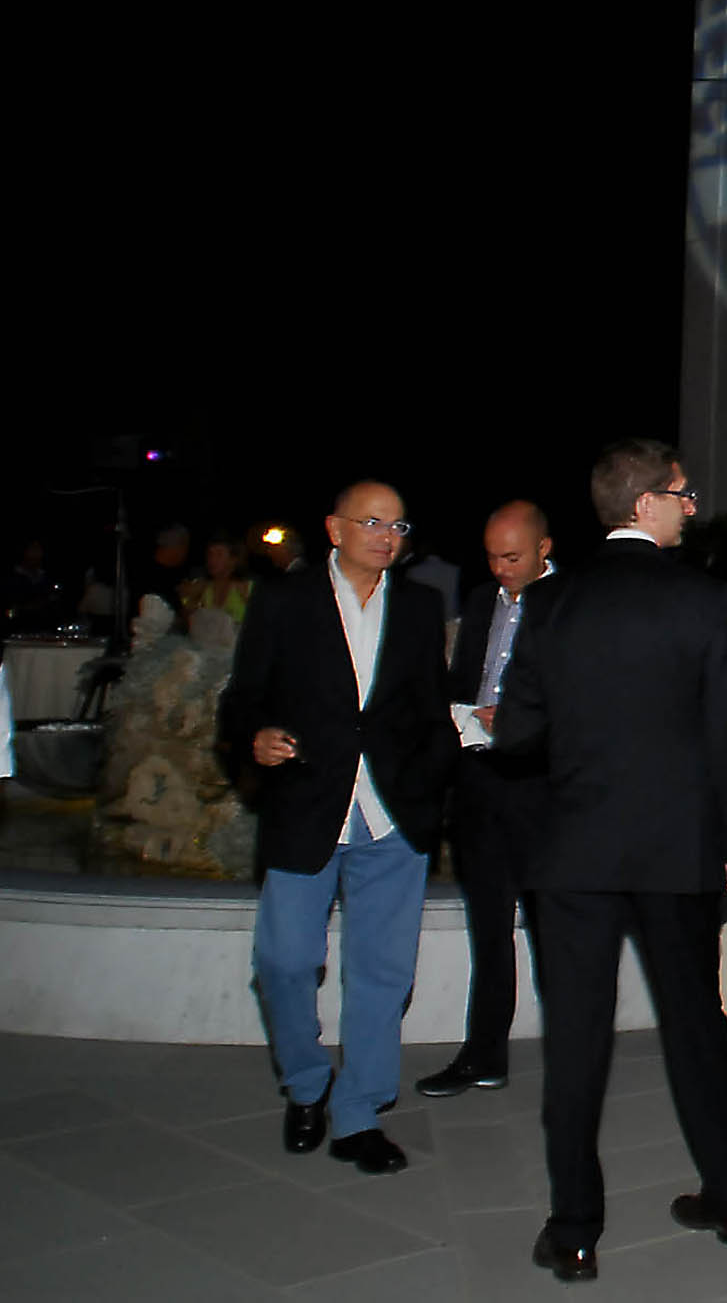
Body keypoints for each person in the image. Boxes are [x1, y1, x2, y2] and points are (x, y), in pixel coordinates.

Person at [493, 440, 727, 1282]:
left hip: (575, 852)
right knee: (696, 1025)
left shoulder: (551, 601)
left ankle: (574, 1230)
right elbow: (725, 737)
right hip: (677, 848)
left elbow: (522, 737)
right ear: (645, 504)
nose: (691, 506)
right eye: (682, 493)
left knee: (575, 1042)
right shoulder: (708, 599)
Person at [220, 481, 456, 1176]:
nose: (387, 535)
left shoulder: (418, 606)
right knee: (284, 961)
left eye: (398, 524)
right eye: (372, 521)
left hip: (393, 814)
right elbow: (242, 698)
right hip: (305, 805)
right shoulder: (284, 601)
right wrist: (252, 741)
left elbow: (429, 710)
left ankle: (360, 1113)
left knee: (382, 971)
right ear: (334, 527)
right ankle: (305, 1082)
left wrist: (432, 791)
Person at [416, 501, 554, 1101]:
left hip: (541, 791)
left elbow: (590, 703)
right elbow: (462, 680)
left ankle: (575, 1058)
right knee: (488, 927)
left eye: (513, 556)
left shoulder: (571, 606)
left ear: (544, 548)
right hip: (478, 779)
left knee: (554, 932)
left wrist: (522, 724)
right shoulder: (480, 601)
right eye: (493, 556)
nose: (500, 568)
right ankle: (483, 1053)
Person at [180, 534, 255, 635]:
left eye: (219, 554)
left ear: (233, 560)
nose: (212, 559)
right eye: (210, 554)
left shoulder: (246, 588)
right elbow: (187, 623)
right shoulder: (202, 586)